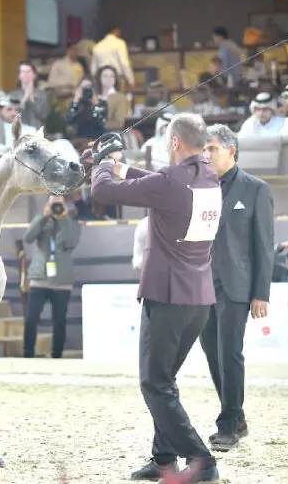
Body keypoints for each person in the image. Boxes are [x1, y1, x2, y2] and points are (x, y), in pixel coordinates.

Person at [85, 113, 222, 483]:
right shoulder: (209, 176)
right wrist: (121, 165)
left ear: (175, 142)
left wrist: (101, 164)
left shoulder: (172, 180)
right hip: (199, 300)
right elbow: (158, 182)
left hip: (168, 298)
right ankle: (163, 459)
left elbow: (102, 192)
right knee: (165, 381)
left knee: (154, 384)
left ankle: (200, 460)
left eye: (166, 140)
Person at [199, 124, 274, 452]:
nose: (207, 154)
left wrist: (261, 293)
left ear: (232, 150)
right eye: (204, 149)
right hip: (201, 287)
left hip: (236, 286)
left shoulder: (256, 189)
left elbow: (264, 245)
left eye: (213, 148)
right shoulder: (199, 187)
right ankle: (237, 417)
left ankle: (228, 424)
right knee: (213, 354)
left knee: (229, 353)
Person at [22, 195, 82, 359]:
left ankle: (57, 355)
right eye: (52, 204)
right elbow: (28, 238)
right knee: (31, 318)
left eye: (59, 204)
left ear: (66, 206)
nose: (56, 207)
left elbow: (72, 242)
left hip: (62, 282)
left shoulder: (72, 222)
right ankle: (28, 354)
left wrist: (63, 219)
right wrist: (43, 217)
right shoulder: (42, 220)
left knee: (59, 321)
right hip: (39, 278)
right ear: (47, 205)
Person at [9, 62, 50, 128]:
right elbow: (11, 116)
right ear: (19, 76)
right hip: (19, 133)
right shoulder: (13, 95)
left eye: (28, 71)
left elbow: (44, 115)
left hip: (37, 132)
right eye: (23, 71)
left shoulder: (42, 94)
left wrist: (32, 100)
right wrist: (24, 99)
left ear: (34, 75)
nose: (26, 74)